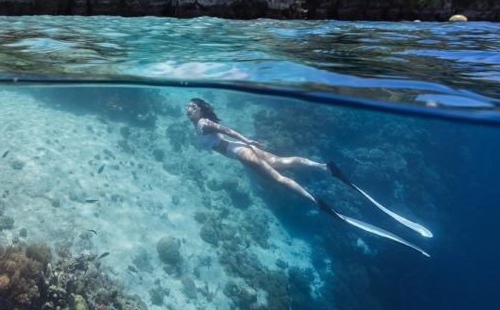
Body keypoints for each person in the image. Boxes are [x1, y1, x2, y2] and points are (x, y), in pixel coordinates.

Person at [185, 98, 432, 257]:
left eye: (192, 107)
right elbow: (223, 132)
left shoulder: (204, 123)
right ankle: (324, 168)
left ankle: (316, 202)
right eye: (188, 107)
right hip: (242, 149)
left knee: (277, 179)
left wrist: (246, 140)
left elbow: (225, 130)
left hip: (240, 152)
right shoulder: (202, 123)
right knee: (282, 162)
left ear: (201, 110)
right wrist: (247, 142)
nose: (189, 109)